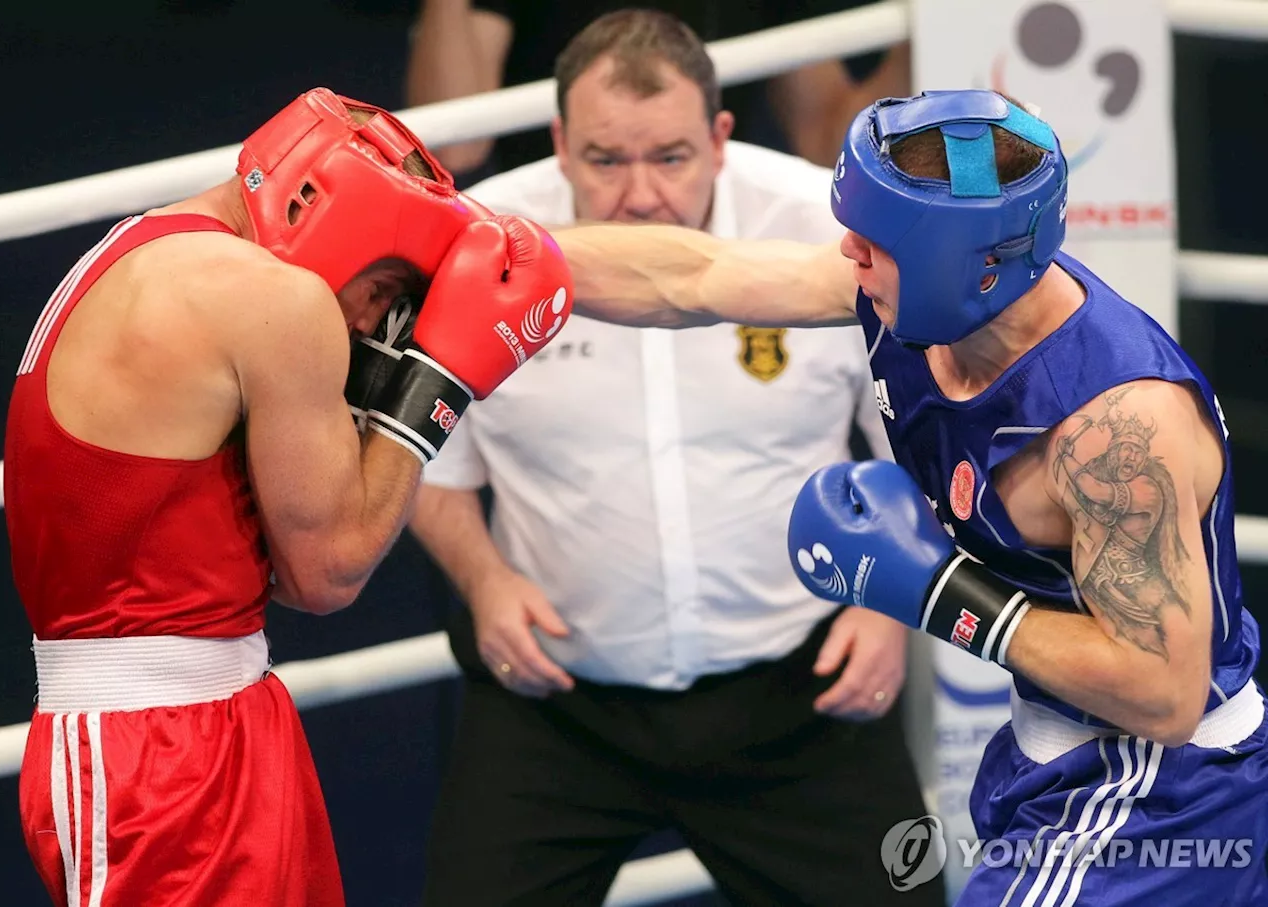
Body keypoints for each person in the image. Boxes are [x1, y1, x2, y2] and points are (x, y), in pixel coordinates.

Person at [552, 89, 1268, 903]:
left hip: (1157, 789)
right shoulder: (911, 297)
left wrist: (940, 593)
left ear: (963, 262)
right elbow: (696, 274)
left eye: (876, 242)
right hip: (1061, 753)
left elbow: (1164, 696)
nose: (849, 255)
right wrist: (499, 247)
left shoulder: (1115, 429)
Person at [408, 10, 938, 906]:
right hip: (558, 705)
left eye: (670, 159)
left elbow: (925, 438)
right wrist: (485, 581)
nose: (641, 195)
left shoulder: (826, 230)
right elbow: (424, 461)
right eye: (607, 161)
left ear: (721, 139)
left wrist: (893, 602)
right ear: (561, 145)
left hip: (802, 691)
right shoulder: (477, 248)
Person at [3, 86, 572, 906]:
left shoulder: (144, 249)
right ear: (338, 223)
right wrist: (438, 384)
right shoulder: (275, 299)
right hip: (159, 753)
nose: (378, 322)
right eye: (386, 288)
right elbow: (329, 573)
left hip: (207, 717)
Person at [403, 0, 908, 180]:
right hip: (561, 250)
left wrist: (933, 19)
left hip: (720, 246)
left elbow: (832, 142)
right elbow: (454, 143)